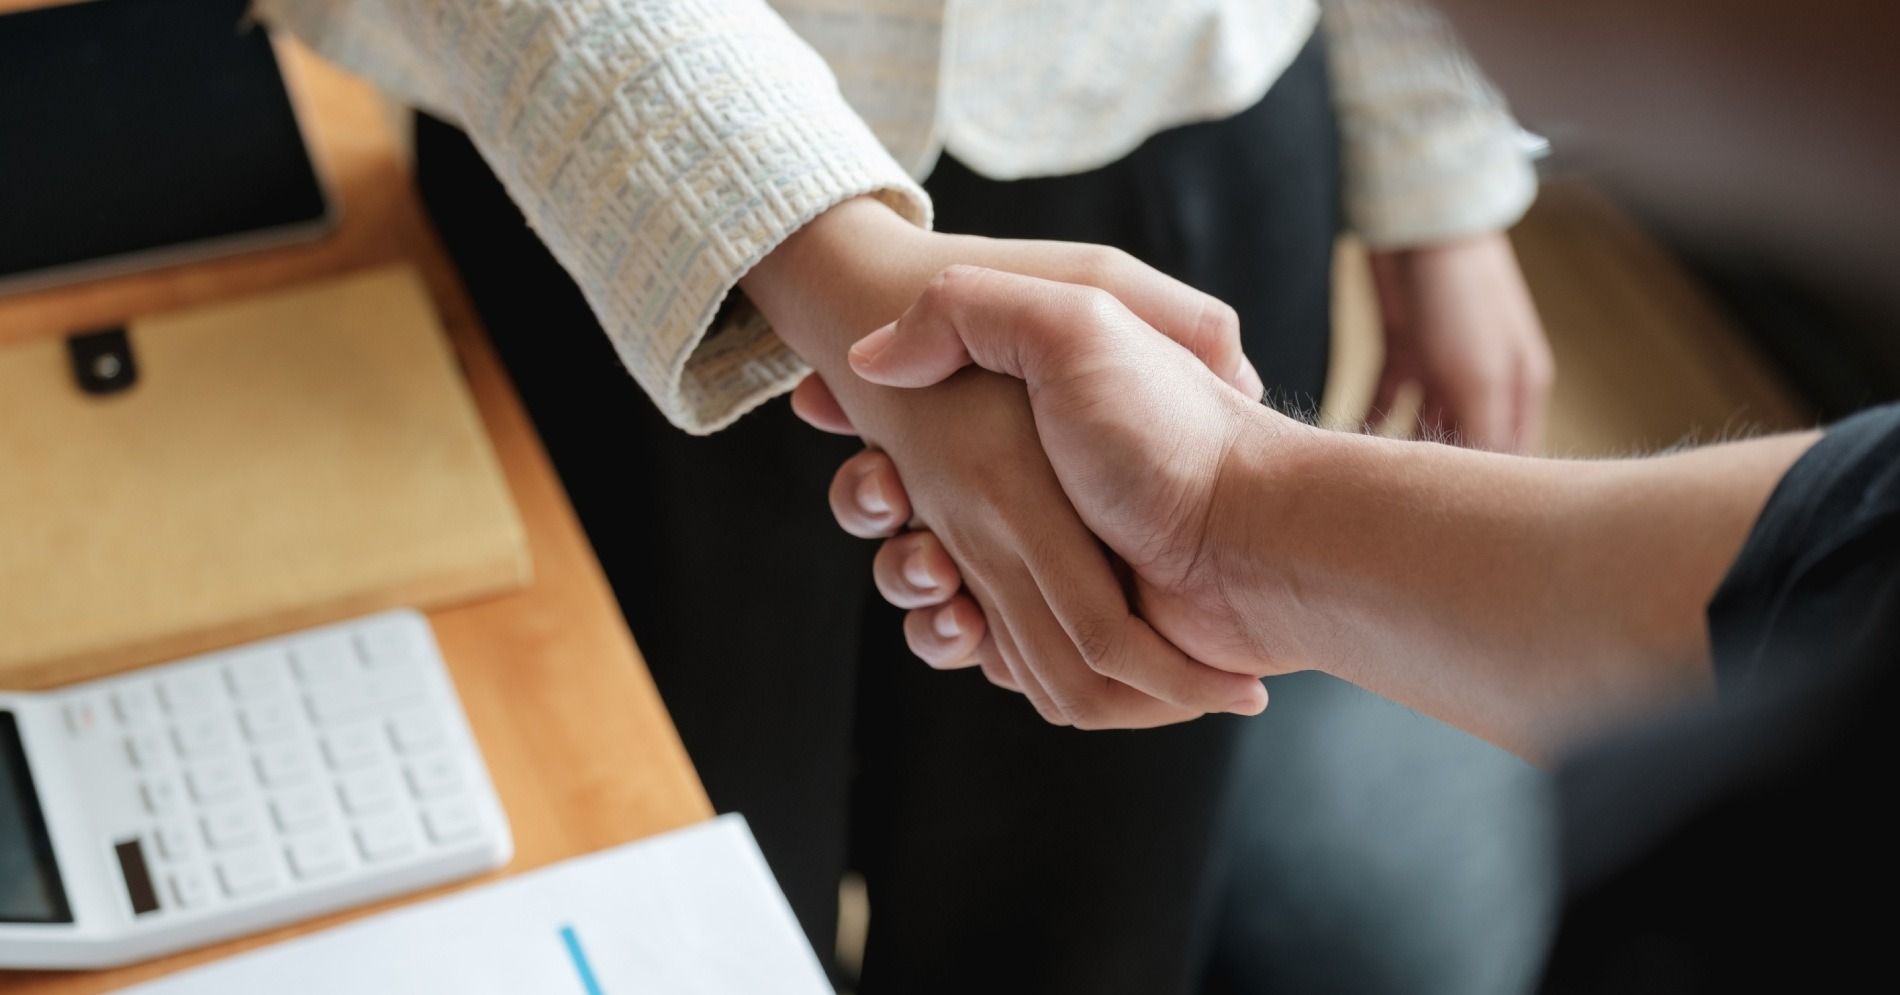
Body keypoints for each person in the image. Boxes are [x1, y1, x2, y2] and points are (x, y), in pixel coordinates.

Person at [256, 0, 1551, 989]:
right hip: (615, 161)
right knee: (668, 917)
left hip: (1182, 131)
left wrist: (1440, 168)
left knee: (1079, 928)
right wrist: (842, 264)